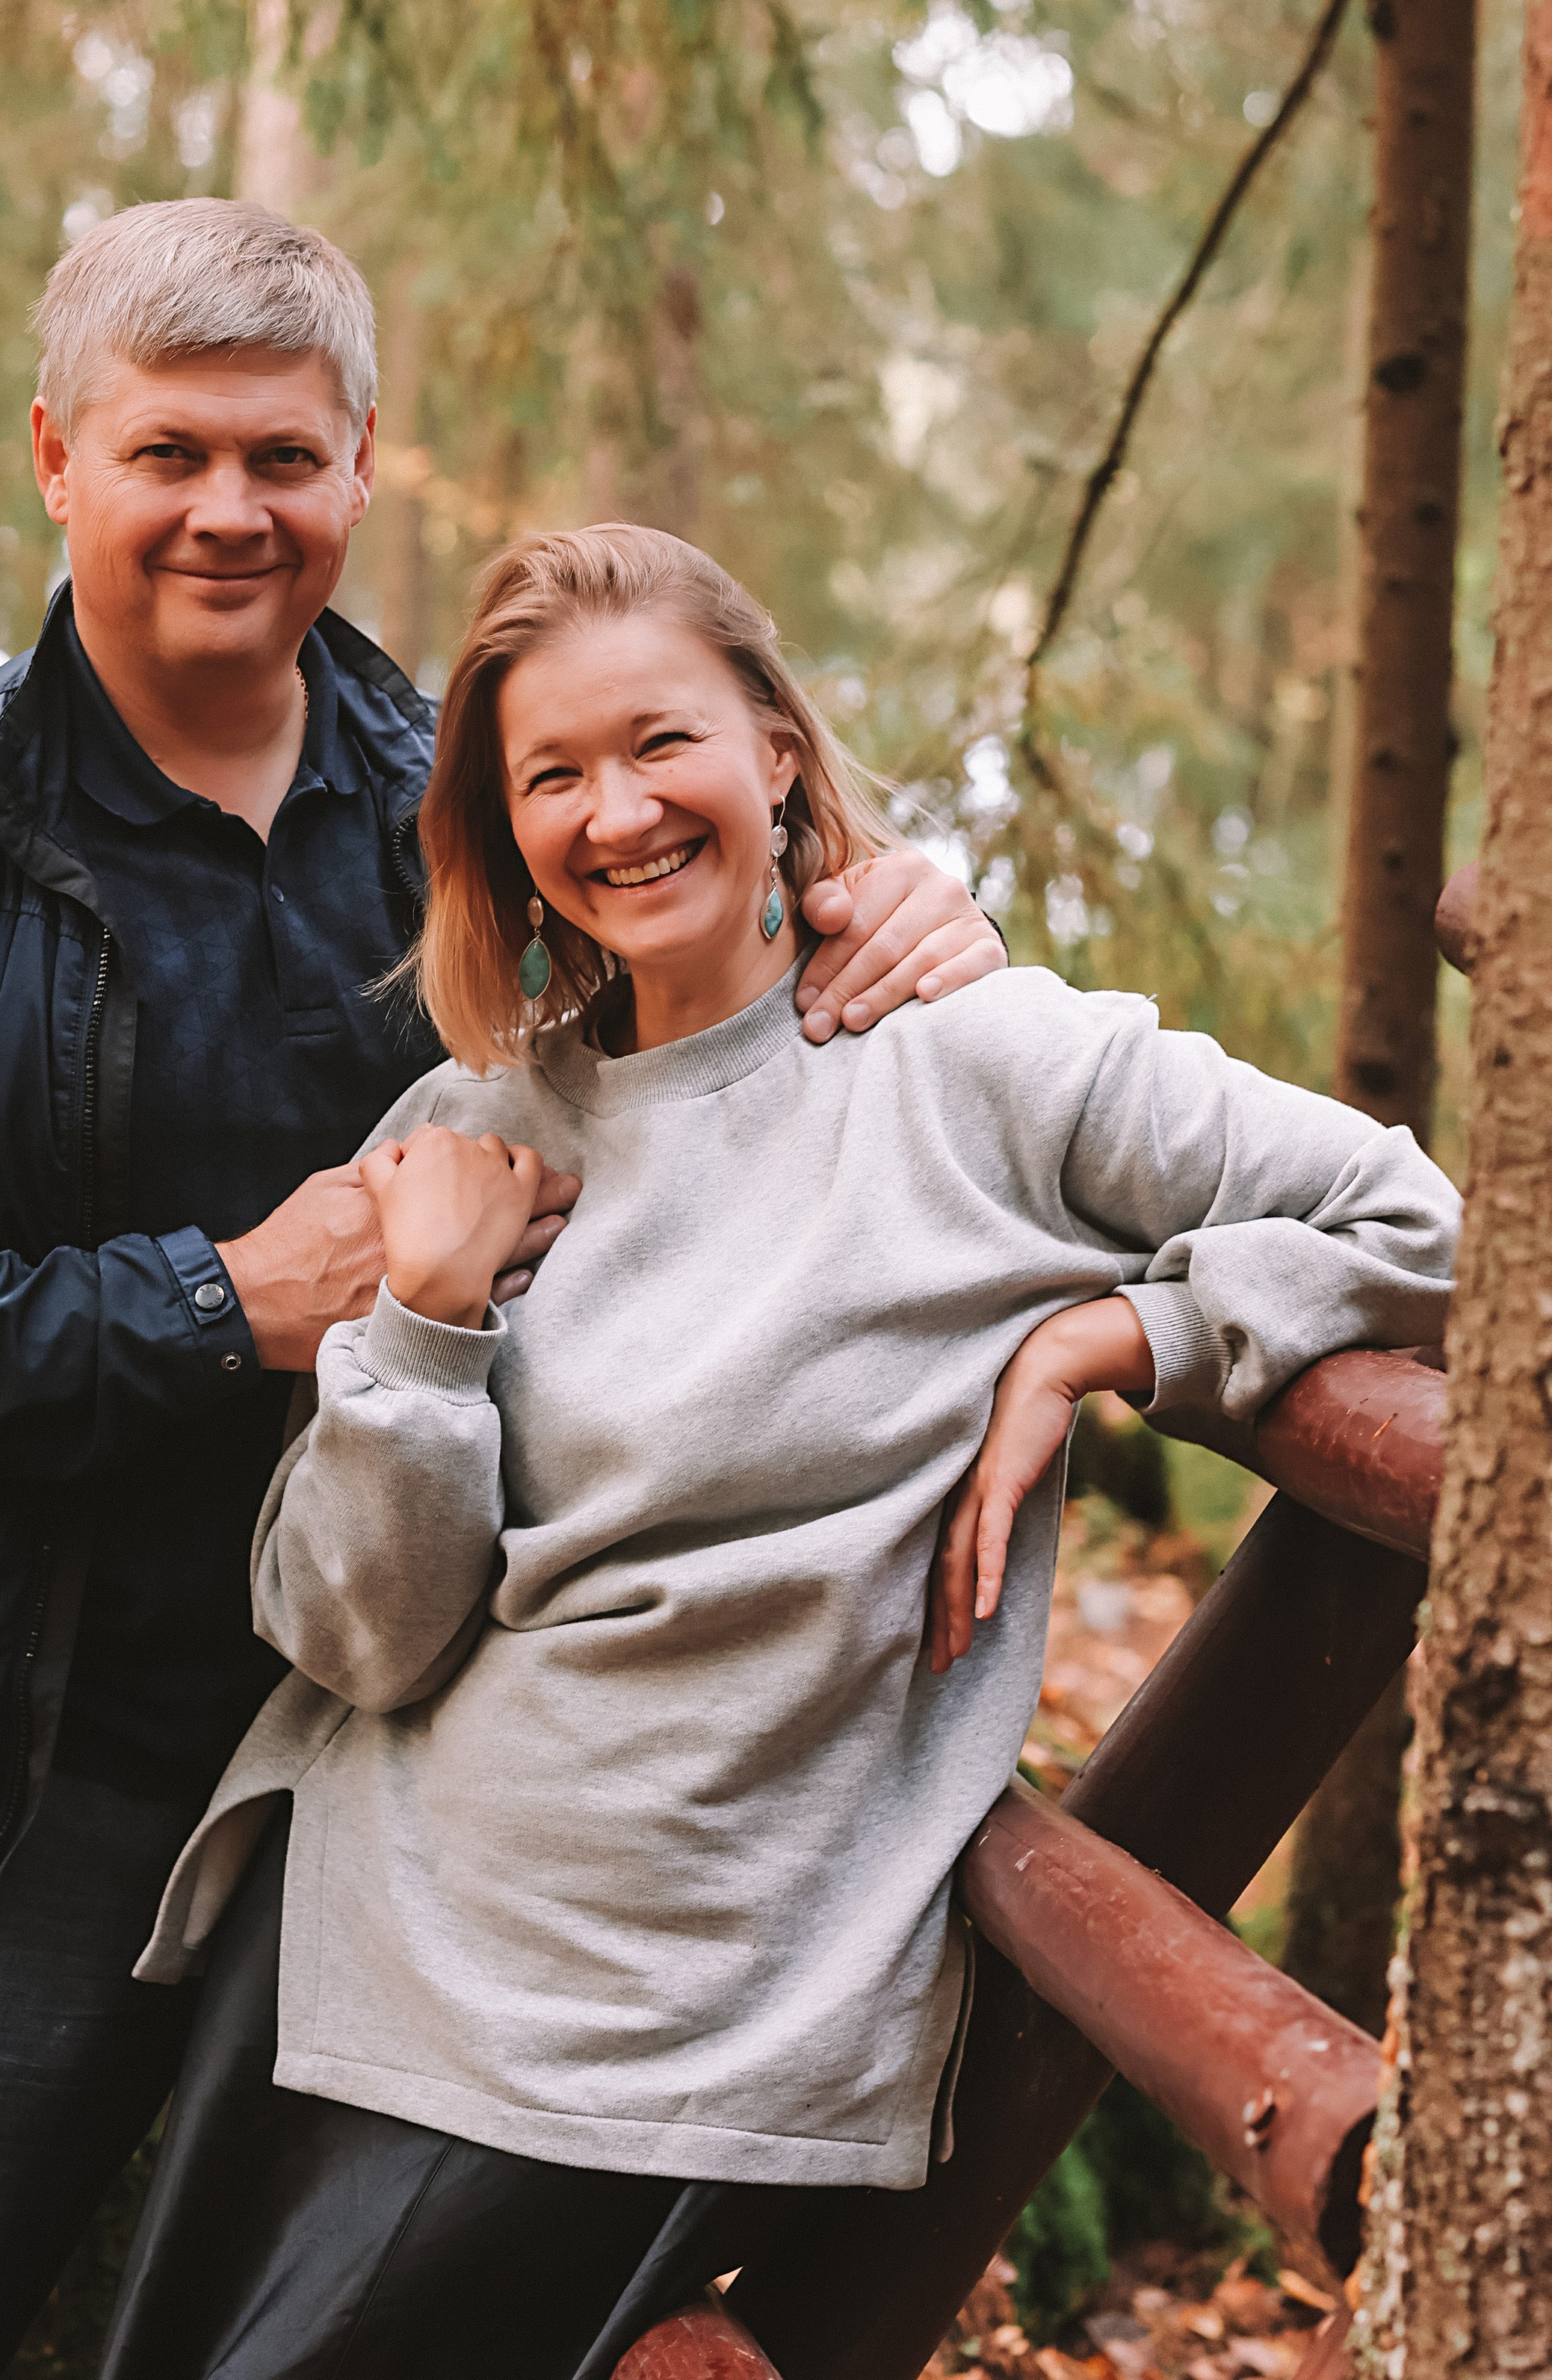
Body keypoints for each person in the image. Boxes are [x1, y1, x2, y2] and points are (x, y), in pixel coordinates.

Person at [0, 202, 1005, 2380]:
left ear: (363, 466)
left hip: (422, 1798)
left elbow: (759, 1023)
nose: (231, 510)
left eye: (284, 458)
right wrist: (226, 1299)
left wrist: (918, 923)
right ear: (53, 456)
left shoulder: (490, 813)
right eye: (169, 450)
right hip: (14, 1795)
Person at [105, 522, 1461, 2380]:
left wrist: (1119, 1334)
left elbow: (1433, 1227)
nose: (618, 811)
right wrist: (421, 1325)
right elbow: (353, 1639)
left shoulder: (970, 1060)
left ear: (775, 752)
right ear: (501, 838)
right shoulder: (465, 1127)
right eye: (552, 777)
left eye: (660, 741)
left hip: (673, 2012)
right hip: (353, 1945)